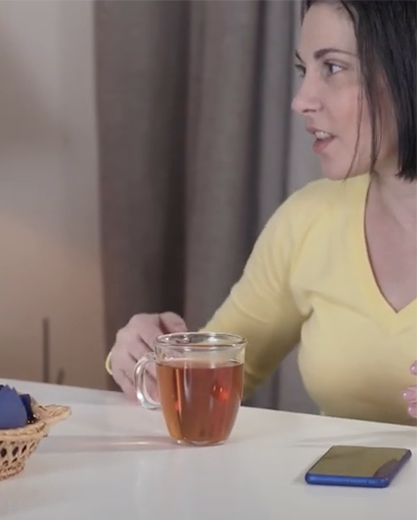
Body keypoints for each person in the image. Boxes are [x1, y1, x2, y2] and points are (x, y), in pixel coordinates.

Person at [107, 0, 417, 426]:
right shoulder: (308, 220)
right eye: (303, 70)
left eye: (333, 68)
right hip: (334, 492)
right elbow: (202, 384)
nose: (302, 100)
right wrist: (143, 355)